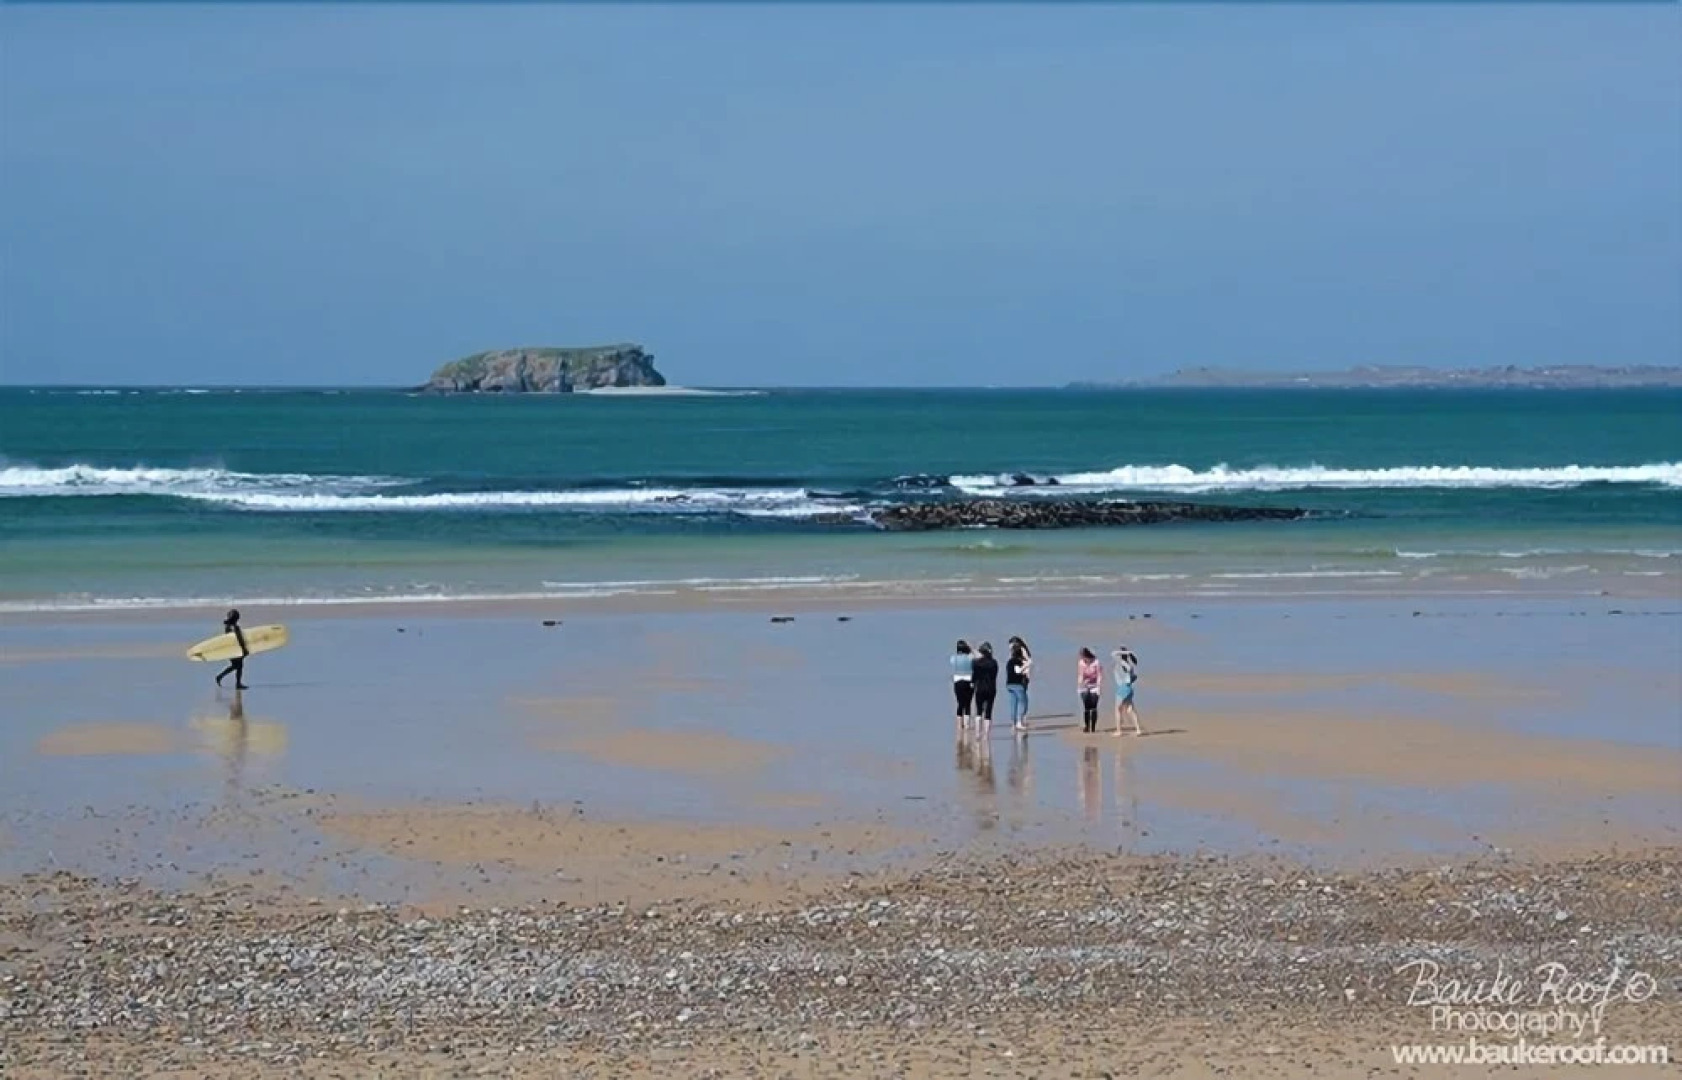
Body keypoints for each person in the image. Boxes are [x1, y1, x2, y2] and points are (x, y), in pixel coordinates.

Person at [1112, 645, 1144, 737]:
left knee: (1118, 710)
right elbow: (1133, 678)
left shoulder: (1120, 662)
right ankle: (1138, 729)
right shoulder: (1130, 665)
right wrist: (1128, 653)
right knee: (1131, 710)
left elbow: (1113, 653)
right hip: (1129, 688)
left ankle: (1119, 731)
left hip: (1122, 688)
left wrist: (1128, 652)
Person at [215, 608, 250, 690]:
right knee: (239, 666)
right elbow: (240, 639)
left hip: (230, 649)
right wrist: (244, 649)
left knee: (236, 666)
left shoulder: (227, 627)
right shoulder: (235, 628)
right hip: (236, 649)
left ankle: (222, 677)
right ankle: (236, 683)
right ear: (236, 618)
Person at [971, 642, 1000, 729]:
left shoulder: (976, 663)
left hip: (980, 688)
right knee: (988, 712)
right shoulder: (994, 663)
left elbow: (974, 676)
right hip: (991, 688)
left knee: (979, 711)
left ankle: (977, 733)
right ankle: (986, 735)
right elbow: (995, 675)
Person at [1006, 640, 1032, 733]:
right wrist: (1026, 666)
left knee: (1013, 703)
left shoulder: (1009, 661)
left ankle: (1013, 723)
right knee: (1023, 703)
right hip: (1017, 685)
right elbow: (1018, 671)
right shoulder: (1017, 661)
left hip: (1009, 685)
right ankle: (1019, 722)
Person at [1077, 647, 1102, 733]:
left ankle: (1093, 727)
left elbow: (1099, 675)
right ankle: (1087, 726)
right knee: (1086, 707)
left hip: (1095, 686)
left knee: (1093, 707)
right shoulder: (1081, 663)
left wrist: (1098, 686)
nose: (1083, 659)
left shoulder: (1096, 662)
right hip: (1084, 686)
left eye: (1083, 657)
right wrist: (1081, 684)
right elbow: (1080, 675)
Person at [950, 640, 975, 726]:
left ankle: (959, 724)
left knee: (960, 703)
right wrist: (971, 649)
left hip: (957, 681)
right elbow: (976, 657)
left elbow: (952, 664)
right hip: (968, 680)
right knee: (968, 703)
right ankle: (967, 724)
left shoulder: (954, 658)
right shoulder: (970, 657)